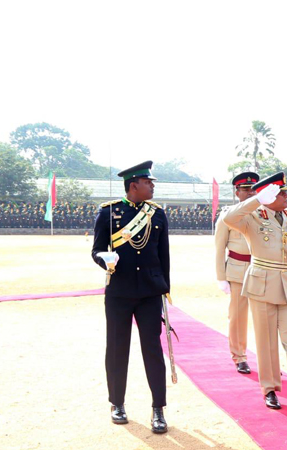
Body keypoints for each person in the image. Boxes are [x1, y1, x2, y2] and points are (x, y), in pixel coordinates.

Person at [91, 160, 170, 433]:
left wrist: (164, 289)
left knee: (152, 349)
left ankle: (158, 407)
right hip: (120, 291)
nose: (152, 186)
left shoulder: (157, 214)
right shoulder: (108, 212)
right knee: (117, 348)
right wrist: (105, 259)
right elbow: (97, 249)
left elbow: (164, 257)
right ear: (133, 185)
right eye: (148, 183)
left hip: (149, 292)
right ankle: (117, 403)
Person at [222, 172, 287, 411]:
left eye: (284, 192)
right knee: (266, 341)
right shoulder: (252, 216)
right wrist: (257, 199)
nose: (285, 196)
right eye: (280, 193)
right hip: (262, 285)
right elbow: (229, 218)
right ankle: (270, 388)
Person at [215, 171, 259, 375]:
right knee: (238, 316)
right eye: (245, 189)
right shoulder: (227, 215)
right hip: (238, 270)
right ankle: (239, 356)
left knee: (264, 317)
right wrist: (221, 278)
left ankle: (266, 358)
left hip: (261, 269)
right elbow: (219, 248)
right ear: (237, 192)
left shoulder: (264, 213)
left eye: (253, 189)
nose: (250, 193)